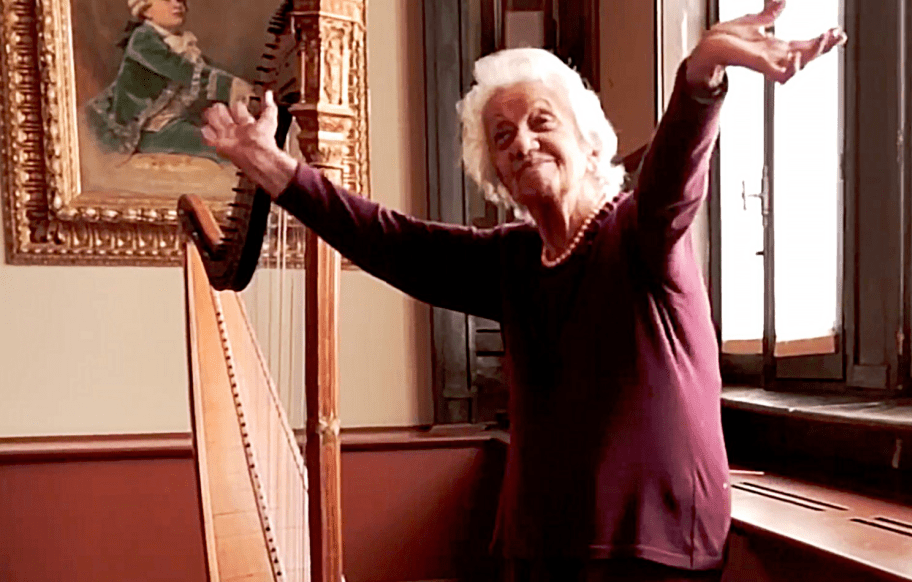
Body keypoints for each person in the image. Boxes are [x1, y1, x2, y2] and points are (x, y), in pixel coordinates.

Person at [200, 1, 845, 579]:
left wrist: (701, 74)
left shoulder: (641, 233)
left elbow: (674, 173)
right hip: (539, 547)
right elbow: (390, 241)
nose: (523, 143)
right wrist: (277, 170)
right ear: (498, 176)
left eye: (541, 122)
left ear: (590, 145)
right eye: (503, 137)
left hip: (650, 547)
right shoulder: (511, 258)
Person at [86, 0, 251, 162]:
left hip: (175, 121)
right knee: (214, 144)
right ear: (146, 10)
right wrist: (229, 86)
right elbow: (181, 69)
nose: (177, 4)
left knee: (227, 130)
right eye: (167, 0)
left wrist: (240, 85)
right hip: (145, 129)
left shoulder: (182, 43)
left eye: (181, 0)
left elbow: (207, 68)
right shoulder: (143, 40)